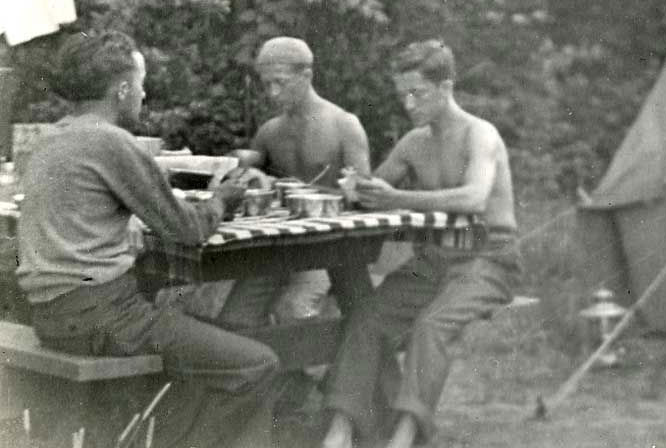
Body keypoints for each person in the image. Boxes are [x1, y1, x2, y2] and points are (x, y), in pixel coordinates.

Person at [15, 30, 282, 448]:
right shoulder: (110, 141)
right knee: (257, 364)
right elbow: (187, 230)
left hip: (50, 316)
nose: (143, 94)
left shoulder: (49, 140)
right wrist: (222, 200)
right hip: (104, 317)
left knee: (206, 348)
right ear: (122, 90)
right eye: (140, 84)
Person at [320, 39, 522, 448]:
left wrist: (397, 197)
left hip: (488, 259)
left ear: (446, 87)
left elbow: (473, 198)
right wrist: (355, 188)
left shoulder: (480, 135)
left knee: (432, 326)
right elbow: (373, 191)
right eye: (403, 95)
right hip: (434, 259)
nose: (409, 104)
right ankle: (339, 432)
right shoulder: (414, 142)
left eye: (418, 93)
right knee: (367, 317)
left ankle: (404, 437)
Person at [215, 36, 371, 328]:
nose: (272, 93)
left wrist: (350, 190)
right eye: (266, 84)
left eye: (280, 82)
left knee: (293, 310)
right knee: (234, 320)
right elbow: (245, 184)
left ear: (306, 76)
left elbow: (364, 198)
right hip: (275, 250)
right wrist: (242, 170)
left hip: (328, 249)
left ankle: (305, 360)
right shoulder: (269, 132)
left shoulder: (343, 125)